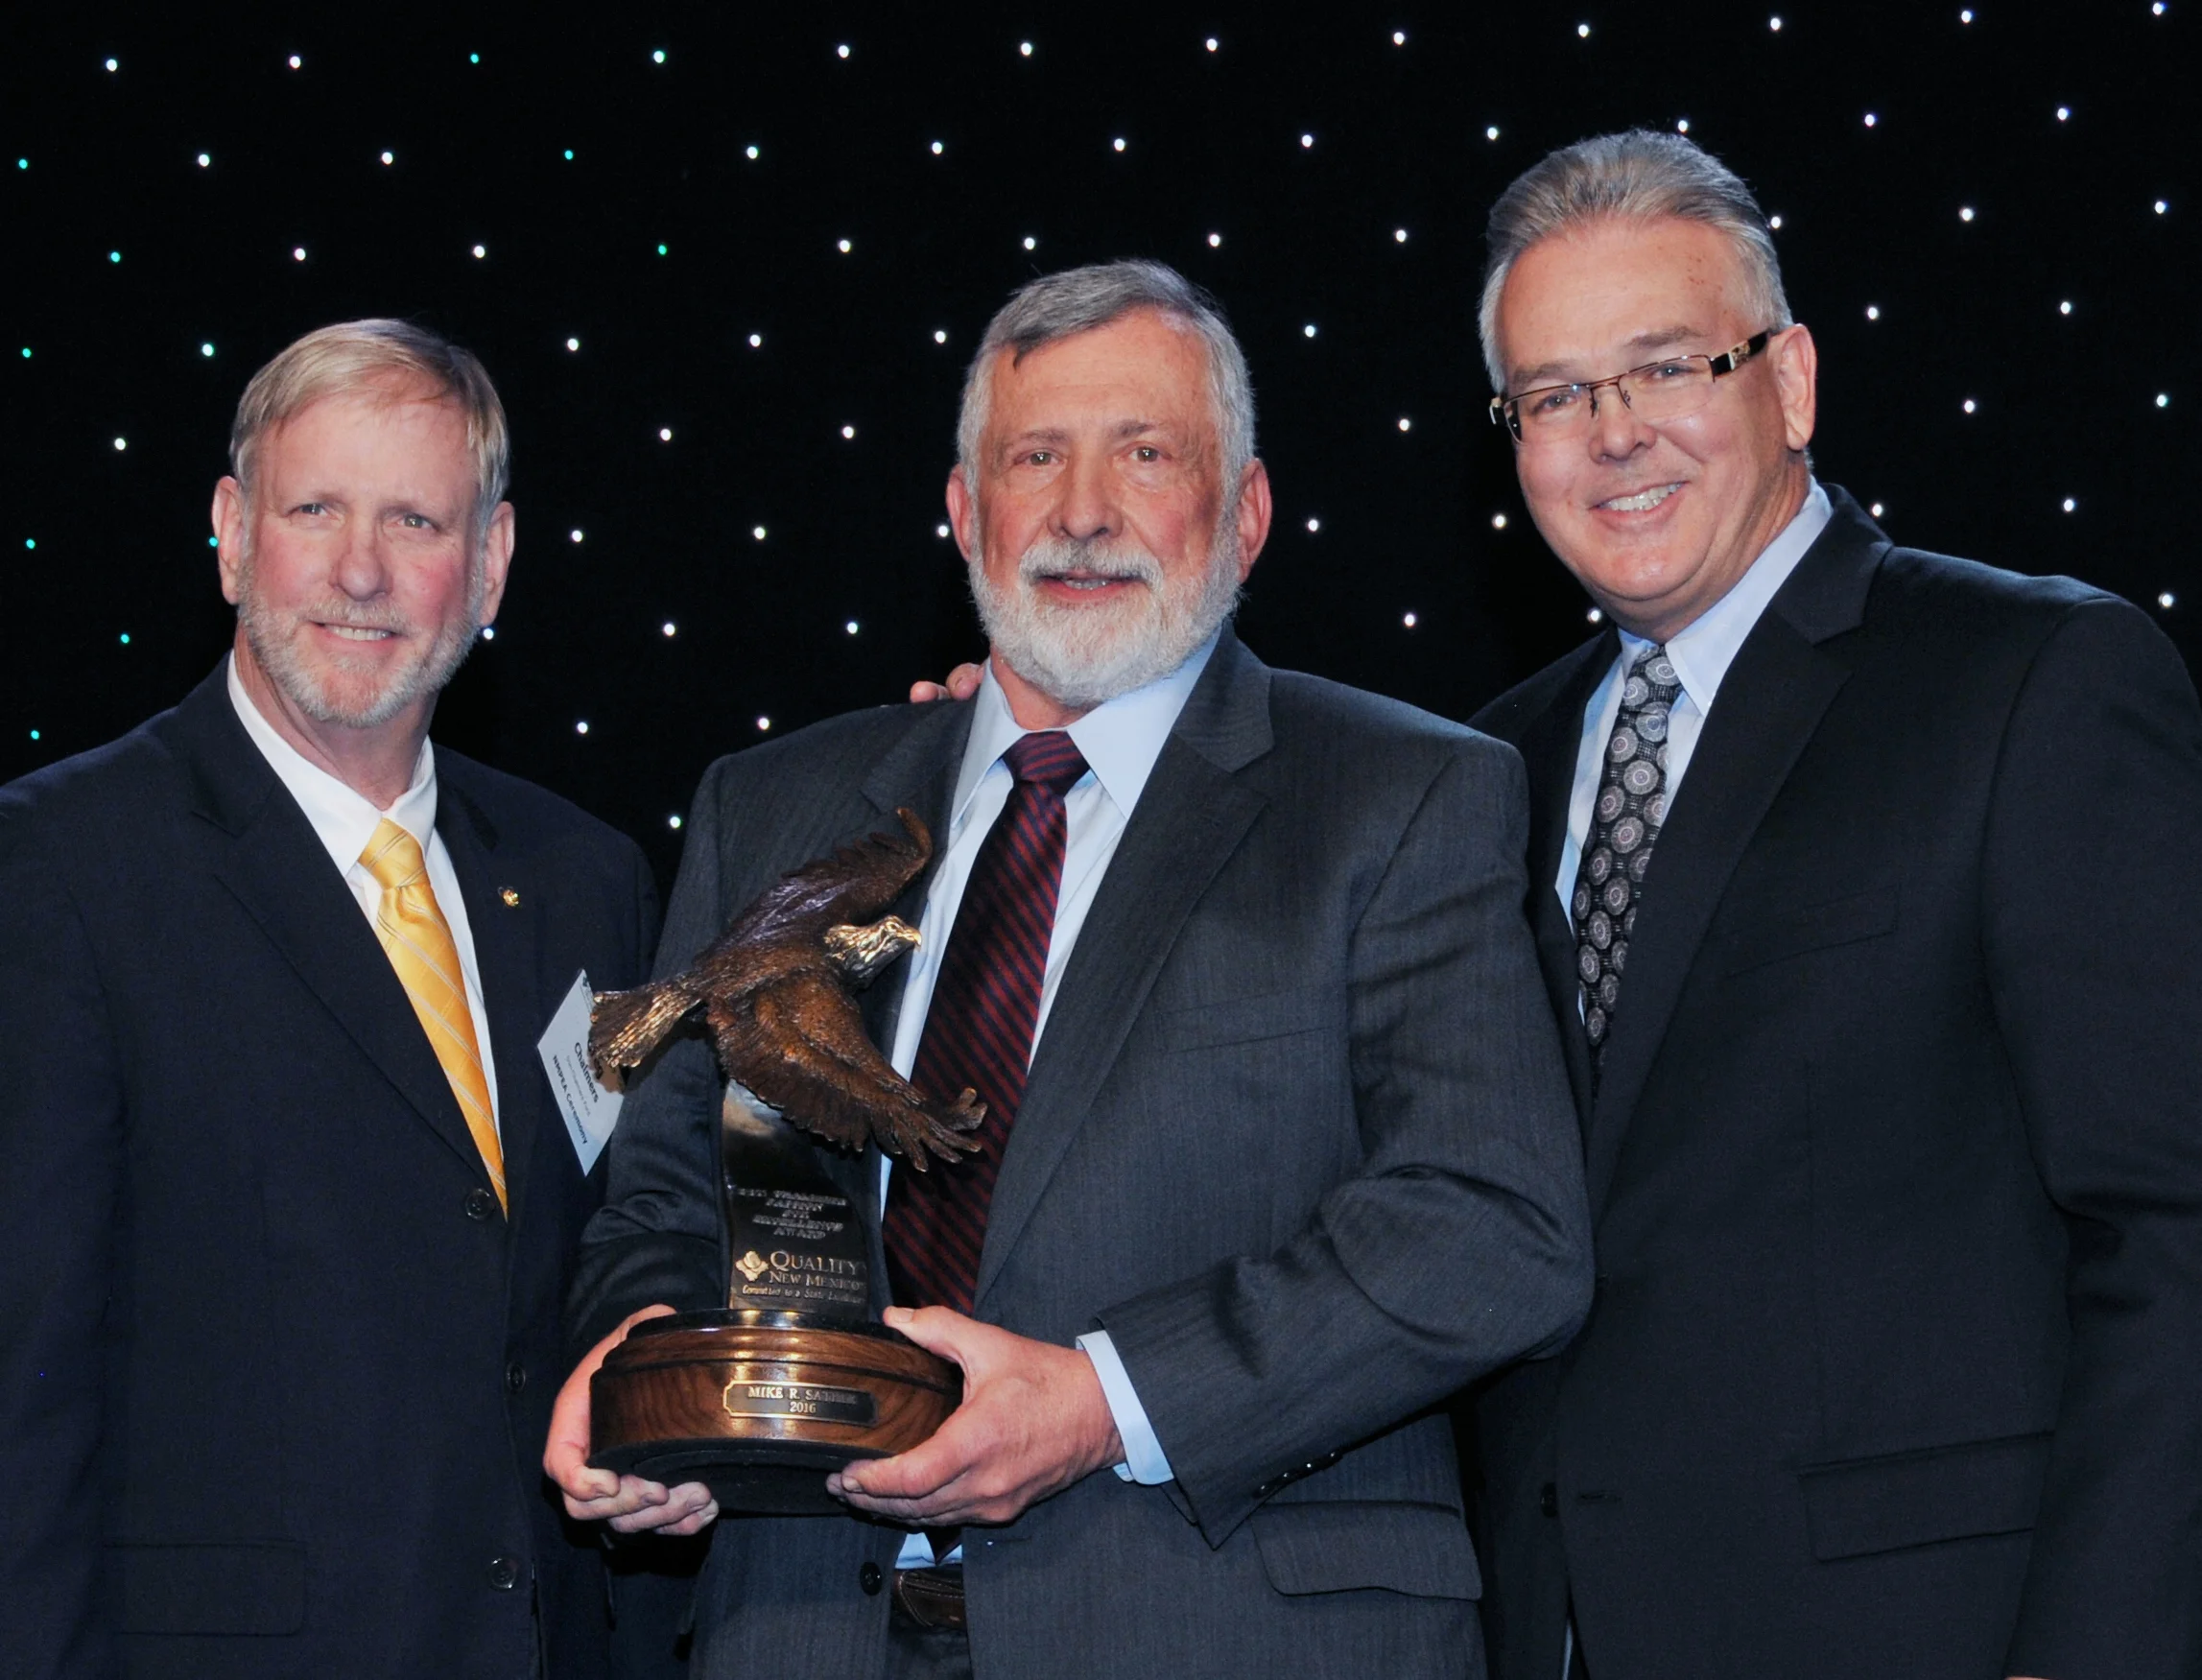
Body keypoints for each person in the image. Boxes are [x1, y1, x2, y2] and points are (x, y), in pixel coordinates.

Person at [547, 259, 1593, 1678]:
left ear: (1247, 514)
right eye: (1035, 457)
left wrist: (1106, 1400)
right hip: (803, 1628)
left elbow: (1490, 1226)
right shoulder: (776, 810)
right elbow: (663, 1197)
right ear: (965, 513)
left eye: (1145, 454)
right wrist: (650, 1371)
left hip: (1228, 1634)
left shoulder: (1402, 795)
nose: (1084, 510)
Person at [1462, 131, 2202, 1680]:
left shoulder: (2028, 681)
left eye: (1665, 365)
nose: (1610, 437)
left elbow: (2167, 1227)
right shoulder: (1485, 769)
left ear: (1786, 382)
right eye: (1551, 395)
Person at [0, 320, 661, 1679]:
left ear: (489, 564)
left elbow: (617, 1253)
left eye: (414, 518)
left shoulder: (586, 878)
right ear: (234, 534)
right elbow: (24, 1391)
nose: (360, 569)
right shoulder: (60, 865)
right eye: (315, 510)